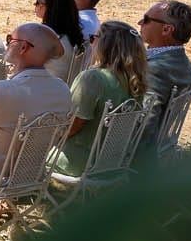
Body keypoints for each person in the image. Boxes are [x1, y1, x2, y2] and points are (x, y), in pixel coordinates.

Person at [0, 23, 74, 188]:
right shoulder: (62, 89)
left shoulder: (0, 91)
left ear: (23, 48)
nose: (7, 44)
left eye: (10, 39)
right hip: (31, 176)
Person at [56, 21, 148, 174]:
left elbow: (71, 126)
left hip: (76, 162)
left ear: (105, 45)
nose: (91, 42)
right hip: (111, 162)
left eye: (94, 38)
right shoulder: (136, 81)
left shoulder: (92, 78)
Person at [136, 0, 191, 158]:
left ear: (166, 29)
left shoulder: (154, 69)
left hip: (133, 156)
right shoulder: (184, 64)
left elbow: (146, 119)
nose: (140, 23)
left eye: (146, 19)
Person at [35, 0, 87, 83]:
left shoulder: (44, 38)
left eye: (38, 2)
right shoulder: (75, 38)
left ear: (49, 9)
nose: (36, 5)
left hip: (45, 87)